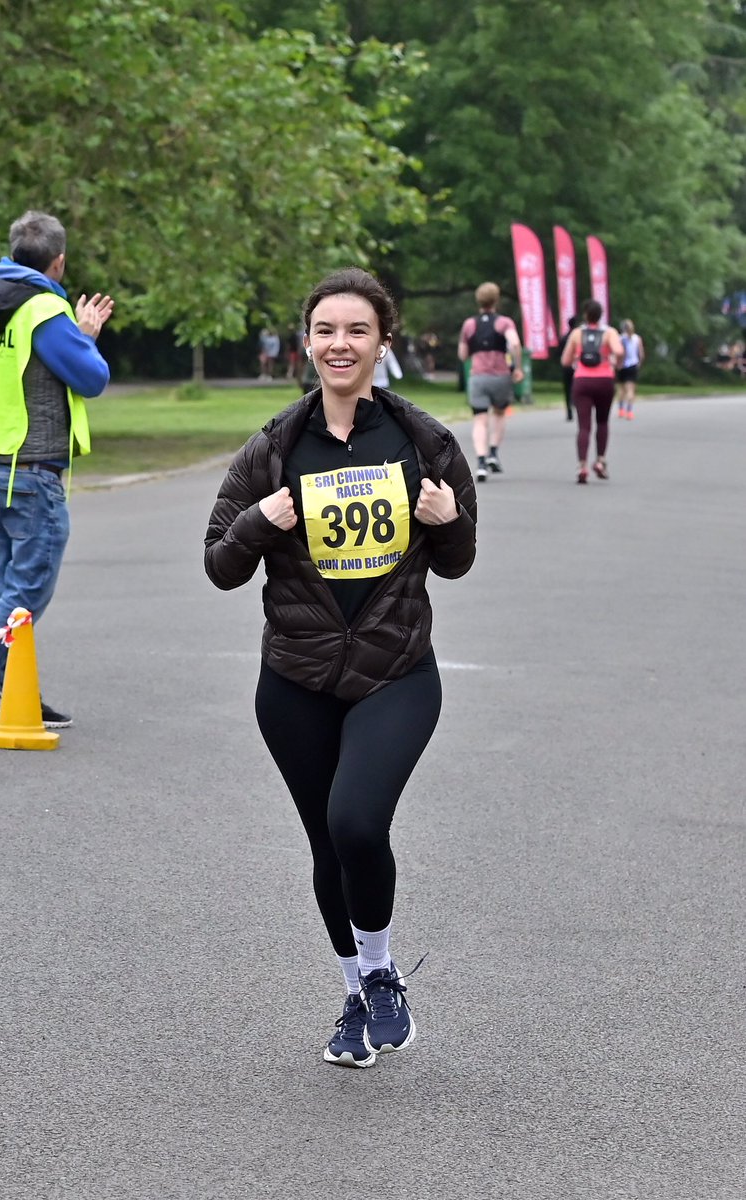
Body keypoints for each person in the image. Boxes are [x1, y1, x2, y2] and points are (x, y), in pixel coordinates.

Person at [204, 267, 477, 1069]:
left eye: (357, 330)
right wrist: (257, 523)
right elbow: (219, 564)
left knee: (356, 821)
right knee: (326, 846)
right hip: (295, 679)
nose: (340, 344)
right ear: (306, 342)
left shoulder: (424, 442)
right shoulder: (275, 448)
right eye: (326, 330)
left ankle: (382, 971)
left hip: (397, 672)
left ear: (382, 343)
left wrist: (447, 520)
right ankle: (356, 993)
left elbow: (457, 560)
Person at [0, 210, 113, 728]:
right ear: (58, 261)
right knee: (27, 590)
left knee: (11, 591)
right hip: (33, 472)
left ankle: (13, 688)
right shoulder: (42, 309)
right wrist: (85, 334)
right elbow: (91, 378)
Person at [457, 282, 524, 481]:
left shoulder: (470, 324)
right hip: (500, 376)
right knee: (500, 414)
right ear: (496, 300)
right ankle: (493, 452)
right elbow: (515, 343)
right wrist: (517, 367)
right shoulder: (504, 323)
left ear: (478, 300)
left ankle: (481, 462)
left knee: (480, 420)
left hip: (478, 377)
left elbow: (462, 355)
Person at [560, 299, 624, 484]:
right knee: (602, 422)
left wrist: (577, 359)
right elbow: (619, 351)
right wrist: (616, 364)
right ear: (601, 315)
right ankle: (601, 461)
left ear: (585, 315)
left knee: (584, 426)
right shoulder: (610, 333)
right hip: (605, 380)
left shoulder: (577, 333)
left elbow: (565, 361)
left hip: (582, 381)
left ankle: (582, 466)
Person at [616, 319, 645, 420]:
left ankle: (621, 410)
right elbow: (641, 354)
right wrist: (639, 364)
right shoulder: (637, 338)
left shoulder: (620, 338)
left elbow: (618, 353)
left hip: (622, 366)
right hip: (633, 365)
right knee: (630, 389)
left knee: (621, 389)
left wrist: (617, 364)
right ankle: (629, 411)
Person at [559, 315, 579, 422]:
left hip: (567, 366)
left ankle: (569, 411)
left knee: (567, 388)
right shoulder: (579, 338)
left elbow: (560, 353)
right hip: (577, 366)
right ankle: (576, 406)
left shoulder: (564, 338)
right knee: (577, 388)